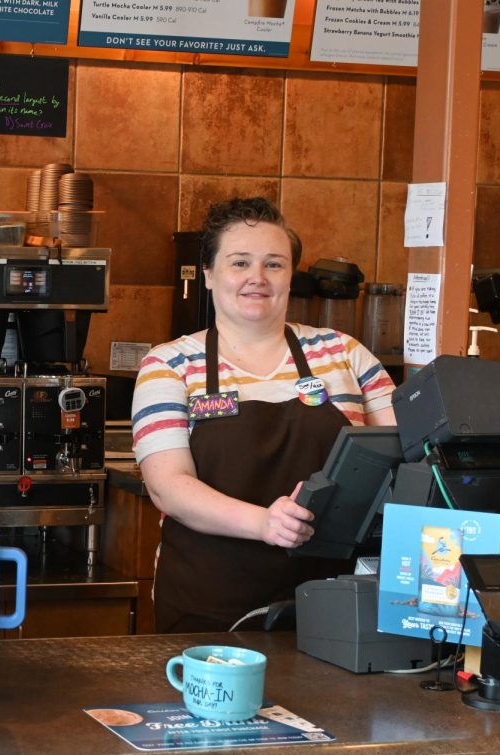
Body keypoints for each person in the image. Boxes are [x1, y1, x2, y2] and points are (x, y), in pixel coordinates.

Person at [131, 197, 396, 633]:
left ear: (291, 275)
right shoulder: (171, 364)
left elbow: (403, 458)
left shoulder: (345, 355)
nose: (257, 278)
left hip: (336, 600)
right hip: (209, 605)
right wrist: (264, 523)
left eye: (274, 264)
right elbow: (168, 488)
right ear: (210, 275)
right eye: (240, 263)